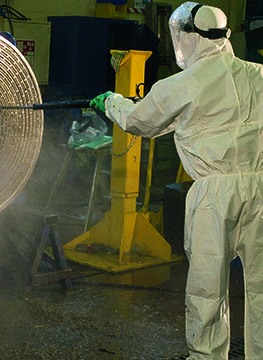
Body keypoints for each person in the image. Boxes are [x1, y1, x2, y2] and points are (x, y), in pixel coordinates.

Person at [90, 2, 263, 359]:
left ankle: (206, 356)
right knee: (262, 285)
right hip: (260, 187)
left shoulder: (183, 84)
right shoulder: (258, 74)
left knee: (207, 286)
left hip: (215, 193)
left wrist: (111, 103)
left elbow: (141, 121)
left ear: (189, 37)